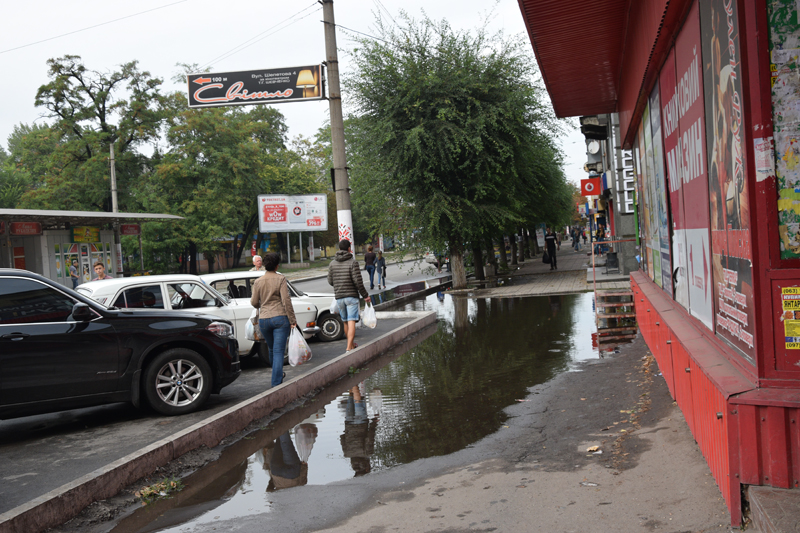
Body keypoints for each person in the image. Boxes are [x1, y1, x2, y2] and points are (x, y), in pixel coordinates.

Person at [251, 252, 296, 387]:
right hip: (280, 319)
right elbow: (286, 300)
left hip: (264, 320)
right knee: (278, 352)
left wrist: (262, 305)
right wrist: (292, 319)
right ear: (277, 266)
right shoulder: (281, 279)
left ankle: (277, 374)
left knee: (271, 349)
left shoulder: (258, 282)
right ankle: (276, 383)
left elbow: (253, 302)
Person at [328, 239, 371, 352]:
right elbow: (358, 281)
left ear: (339, 249)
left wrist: (338, 284)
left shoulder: (332, 263)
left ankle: (351, 345)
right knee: (352, 320)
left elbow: (330, 281)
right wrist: (365, 295)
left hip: (339, 296)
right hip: (351, 296)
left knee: (345, 321)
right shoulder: (353, 262)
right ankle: (348, 347)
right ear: (349, 249)